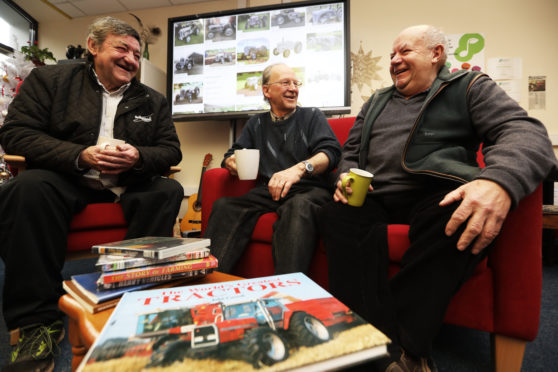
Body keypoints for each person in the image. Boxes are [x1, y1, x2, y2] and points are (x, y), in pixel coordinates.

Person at [318, 25, 557, 372]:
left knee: (461, 214)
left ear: (436, 54)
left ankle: (397, 347)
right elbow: (351, 151)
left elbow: (525, 133)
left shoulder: (469, 87)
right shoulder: (376, 101)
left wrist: (499, 182)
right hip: (375, 194)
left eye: (405, 52)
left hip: (437, 191)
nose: (395, 60)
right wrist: (345, 174)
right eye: (391, 55)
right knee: (334, 215)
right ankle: (387, 351)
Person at [0, 16, 183, 371]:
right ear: (93, 46)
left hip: (129, 185)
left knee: (167, 190)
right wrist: (79, 155)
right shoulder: (50, 81)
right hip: (67, 180)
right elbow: (17, 134)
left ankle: (130, 300)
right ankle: (38, 324)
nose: (131, 58)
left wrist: (138, 156)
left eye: (135, 52)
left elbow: (170, 151)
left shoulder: (152, 100)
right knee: (26, 188)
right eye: (122, 48)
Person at [204, 63, 341, 274]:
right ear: (266, 90)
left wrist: (298, 170)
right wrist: (231, 162)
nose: (293, 88)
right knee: (224, 206)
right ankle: (210, 279)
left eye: (296, 83)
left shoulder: (312, 116)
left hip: (309, 190)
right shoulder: (256, 123)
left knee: (298, 207)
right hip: (270, 191)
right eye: (286, 82)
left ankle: (287, 290)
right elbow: (232, 153)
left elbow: (330, 152)